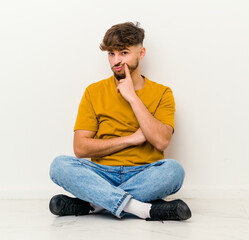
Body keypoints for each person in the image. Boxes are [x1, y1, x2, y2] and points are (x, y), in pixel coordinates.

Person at [49, 22, 191, 221]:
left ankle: (94, 204)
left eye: (123, 53)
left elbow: (161, 141)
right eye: (111, 54)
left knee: (174, 171)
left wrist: (132, 97)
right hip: (101, 173)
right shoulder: (94, 91)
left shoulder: (162, 93)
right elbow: (80, 148)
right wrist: (130, 140)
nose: (116, 61)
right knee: (59, 166)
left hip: (144, 172)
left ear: (141, 53)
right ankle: (142, 209)